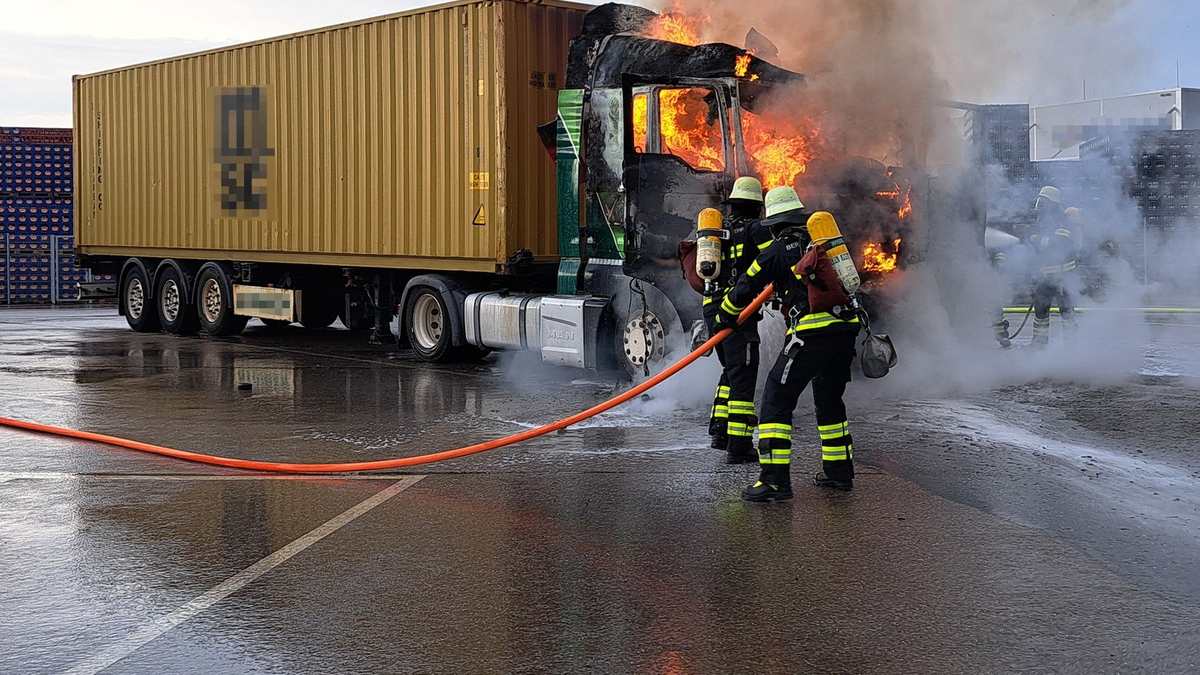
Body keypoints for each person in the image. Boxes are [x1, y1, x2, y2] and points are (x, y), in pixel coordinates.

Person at [714, 187, 861, 501]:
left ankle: (775, 481)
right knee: (829, 400)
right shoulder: (821, 242)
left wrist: (724, 315)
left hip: (811, 335)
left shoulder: (777, 250)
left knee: (775, 400)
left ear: (774, 223)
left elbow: (746, 286)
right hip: (846, 331)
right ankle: (839, 474)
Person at [704, 176, 773, 464]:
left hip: (711, 308)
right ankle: (740, 445)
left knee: (730, 370)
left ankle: (720, 431)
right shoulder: (756, 229)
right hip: (737, 311)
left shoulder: (719, 232)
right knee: (744, 373)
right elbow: (775, 259)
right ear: (758, 207)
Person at [1027, 186, 1077, 346]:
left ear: (1053, 203)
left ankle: (1071, 344)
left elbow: (1058, 244)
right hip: (1045, 277)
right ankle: (1039, 343)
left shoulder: (1062, 220)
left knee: (1067, 312)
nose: (1040, 205)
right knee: (1041, 311)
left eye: (1044, 201)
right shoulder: (1042, 220)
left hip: (1063, 277)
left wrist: (1035, 239)